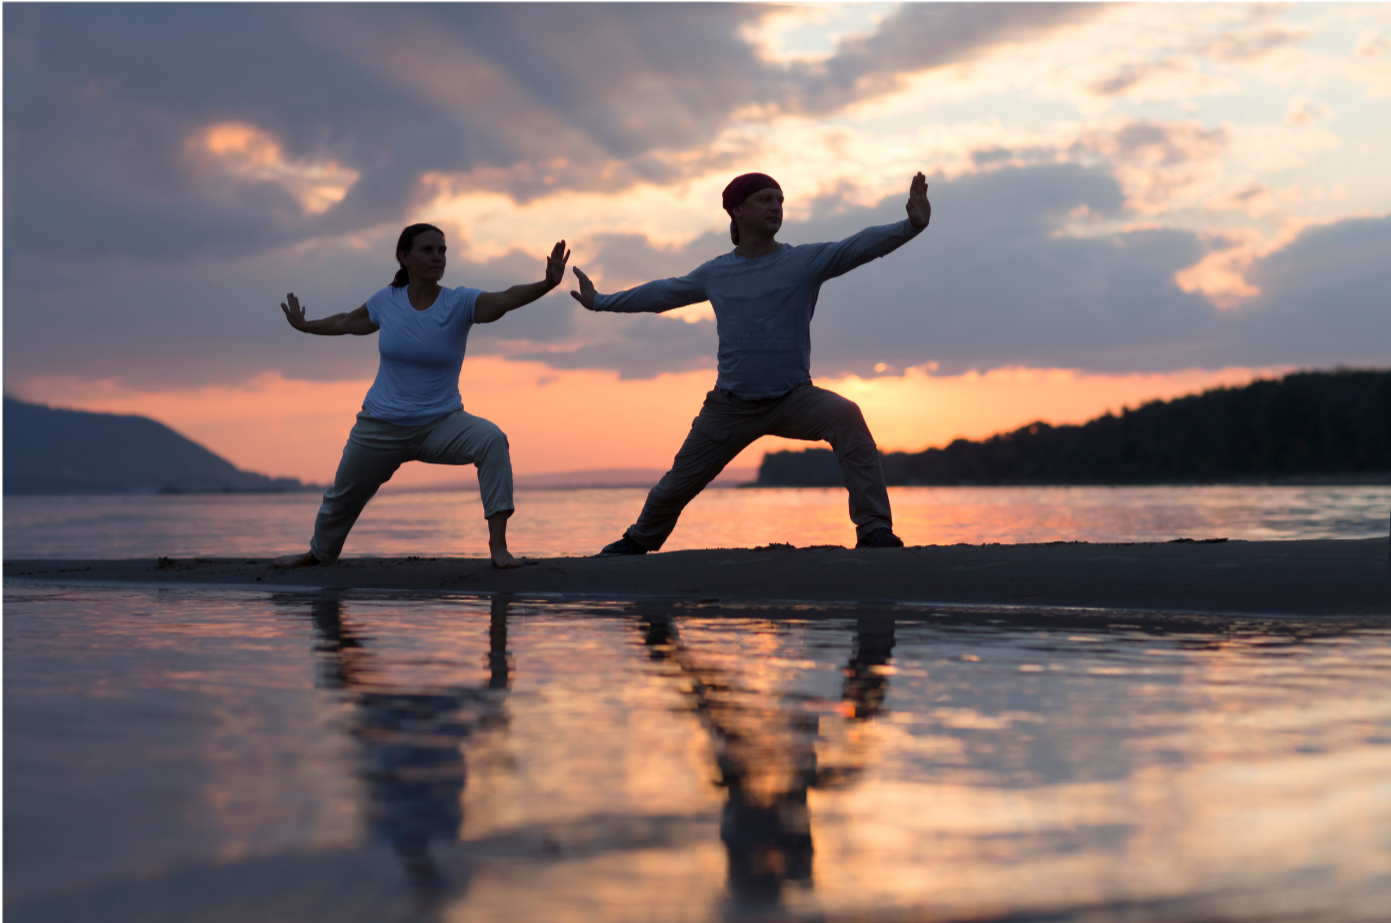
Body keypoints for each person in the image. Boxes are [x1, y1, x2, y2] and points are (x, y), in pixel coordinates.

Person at [571, 171, 930, 555]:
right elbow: (663, 293)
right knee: (675, 485)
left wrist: (910, 225)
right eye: (765, 199)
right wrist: (601, 301)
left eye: (780, 200)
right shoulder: (717, 273)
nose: (776, 206)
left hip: (794, 400)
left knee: (847, 417)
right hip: (731, 407)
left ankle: (874, 529)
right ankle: (639, 540)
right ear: (737, 211)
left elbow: (857, 246)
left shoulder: (802, 262)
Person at [274, 223, 568, 569]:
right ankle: (318, 555)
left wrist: (547, 284)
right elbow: (346, 322)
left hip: (440, 423)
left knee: (491, 440)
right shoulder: (386, 301)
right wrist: (307, 325)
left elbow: (503, 299)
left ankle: (499, 549)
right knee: (340, 499)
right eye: (428, 250)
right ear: (404, 257)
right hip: (380, 425)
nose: (437, 257)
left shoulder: (458, 302)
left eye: (442, 250)